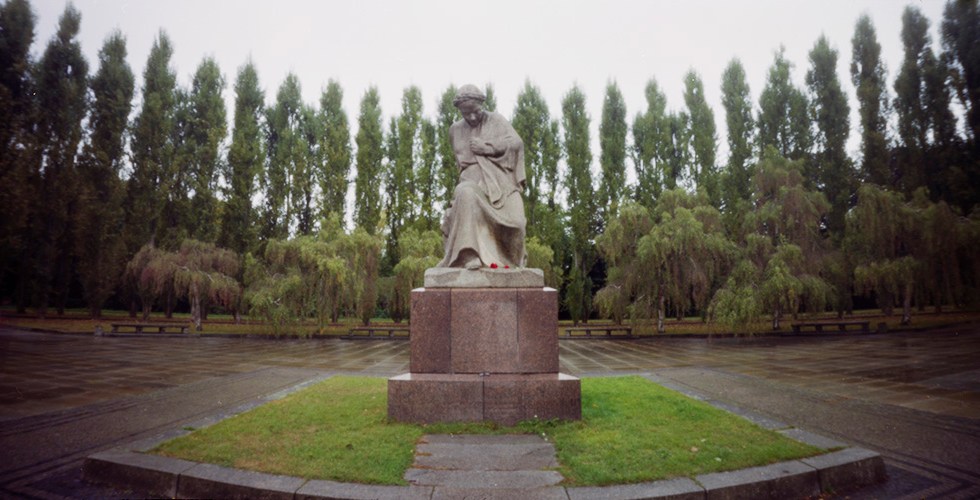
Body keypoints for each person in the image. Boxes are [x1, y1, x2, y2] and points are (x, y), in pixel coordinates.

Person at [438, 84, 527, 270]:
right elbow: (462, 166)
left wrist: (489, 148)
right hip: (472, 184)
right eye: (465, 113)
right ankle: (469, 254)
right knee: (465, 192)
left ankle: (511, 263)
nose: (471, 117)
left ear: (482, 105)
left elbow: (516, 143)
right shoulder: (455, 130)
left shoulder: (496, 120)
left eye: (475, 111)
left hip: (500, 182)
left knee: (517, 224)